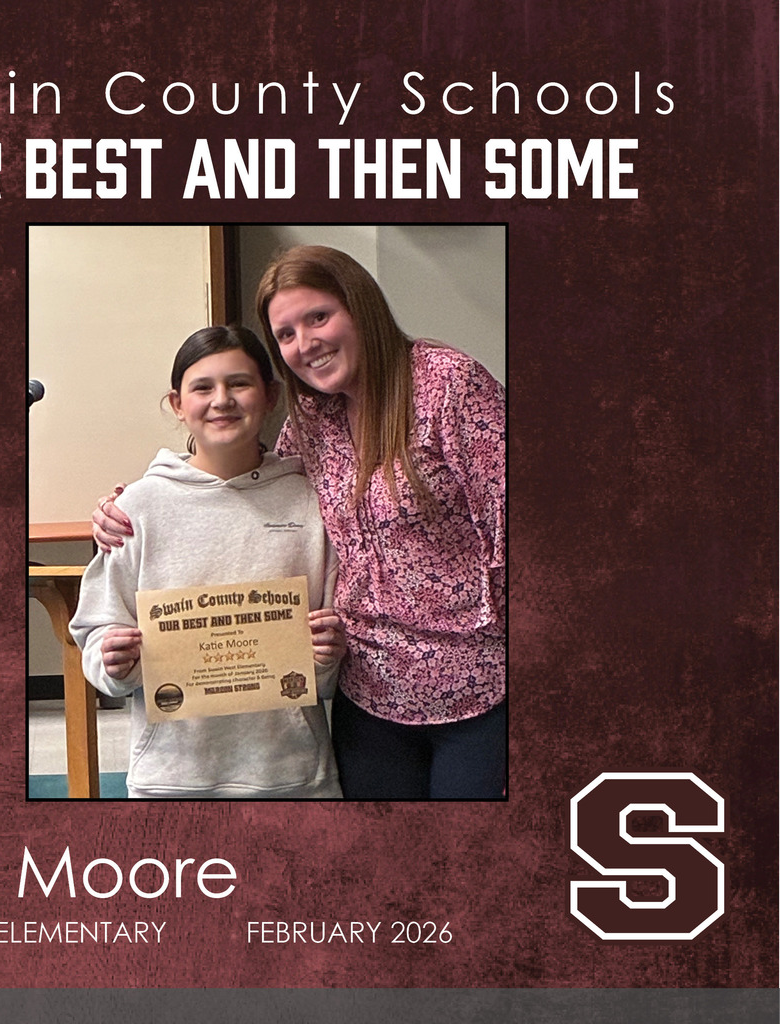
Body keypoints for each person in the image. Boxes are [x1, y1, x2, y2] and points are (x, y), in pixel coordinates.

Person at [94, 246, 505, 800]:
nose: (306, 343)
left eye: (319, 317)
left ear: (360, 308)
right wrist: (130, 502)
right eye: (286, 334)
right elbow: (244, 476)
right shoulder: (315, 417)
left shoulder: (446, 385)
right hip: (371, 694)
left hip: (476, 686)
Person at [70, 324, 345, 799]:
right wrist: (112, 662)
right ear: (177, 404)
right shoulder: (136, 508)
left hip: (293, 775)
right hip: (172, 779)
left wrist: (325, 657)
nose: (222, 400)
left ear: (271, 395)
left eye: (239, 383)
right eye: (202, 387)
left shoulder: (312, 502)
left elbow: (335, 642)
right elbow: (95, 631)